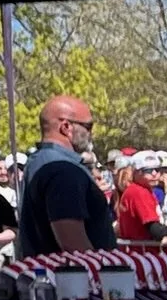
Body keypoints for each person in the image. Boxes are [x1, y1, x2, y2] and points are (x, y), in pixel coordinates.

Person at [16, 96, 118, 262]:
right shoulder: (64, 169)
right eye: (88, 126)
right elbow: (72, 242)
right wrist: (104, 269)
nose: (91, 134)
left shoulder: (38, 161)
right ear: (66, 127)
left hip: (47, 270)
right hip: (73, 275)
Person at [114, 150, 167, 246]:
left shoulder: (143, 190)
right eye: (148, 170)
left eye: (157, 169)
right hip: (143, 251)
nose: (154, 173)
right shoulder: (139, 192)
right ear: (135, 172)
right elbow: (154, 229)